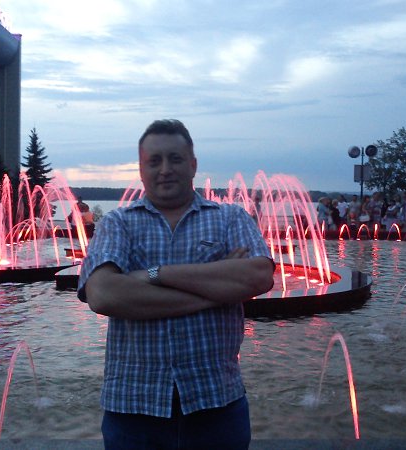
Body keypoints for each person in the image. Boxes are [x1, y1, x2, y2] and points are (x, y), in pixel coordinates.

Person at [77, 119, 275, 449]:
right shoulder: (117, 223)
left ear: (193, 165)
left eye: (176, 159)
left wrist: (155, 274)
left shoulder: (230, 218)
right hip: (133, 410)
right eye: (154, 161)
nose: (165, 169)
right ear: (141, 170)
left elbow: (258, 277)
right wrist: (217, 289)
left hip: (217, 405)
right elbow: (103, 294)